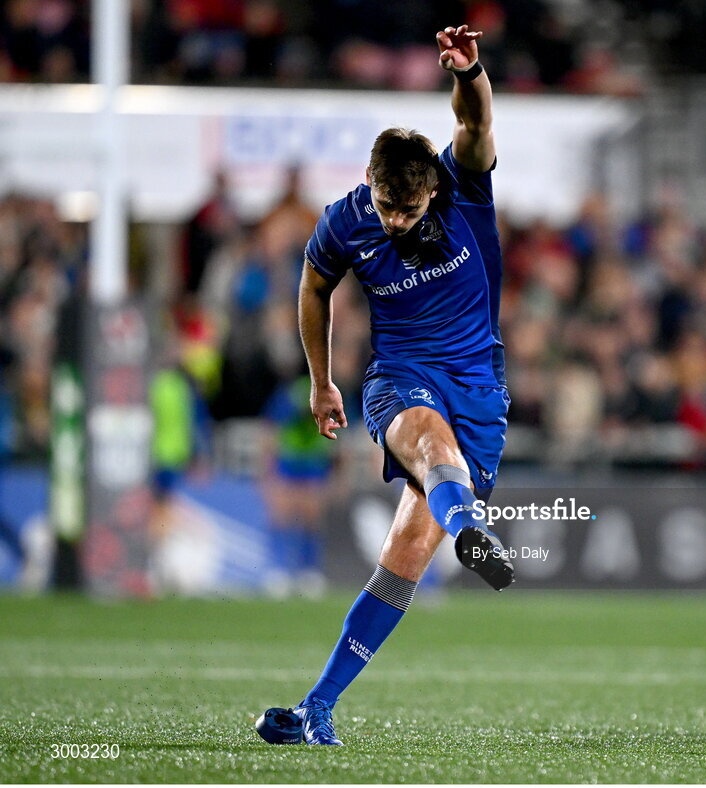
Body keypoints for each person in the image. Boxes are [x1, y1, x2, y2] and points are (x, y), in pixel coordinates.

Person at [256, 25, 514, 747]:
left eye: (409, 209)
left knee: (400, 564)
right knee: (431, 446)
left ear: (432, 187)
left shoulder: (464, 185)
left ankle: (315, 708)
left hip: (478, 385)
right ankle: (470, 529)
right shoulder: (344, 223)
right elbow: (312, 290)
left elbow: (474, 119)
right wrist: (320, 381)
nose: (396, 220)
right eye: (385, 206)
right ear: (368, 183)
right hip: (400, 378)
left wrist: (471, 70)